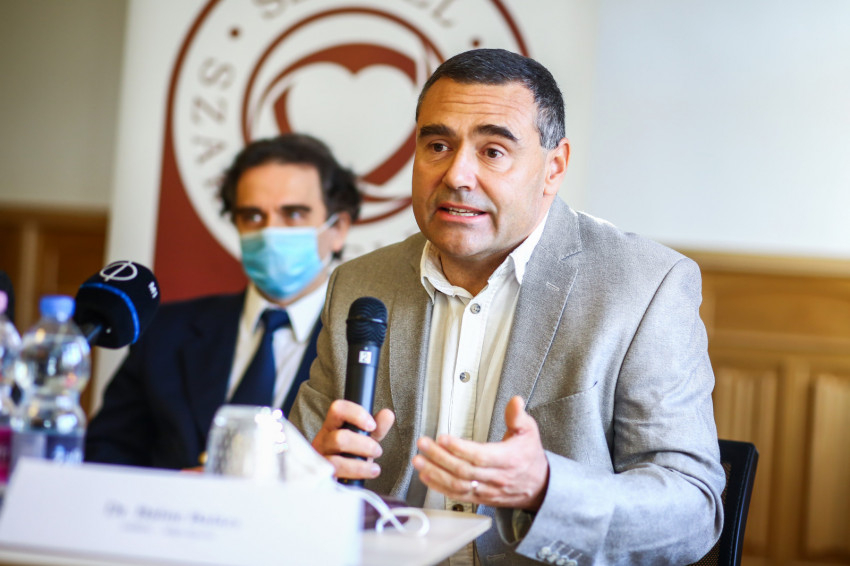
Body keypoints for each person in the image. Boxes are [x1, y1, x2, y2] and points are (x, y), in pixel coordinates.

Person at [290, 49, 725, 565]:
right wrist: (309, 471)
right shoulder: (362, 283)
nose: (457, 175)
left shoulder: (645, 286)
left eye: (493, 151)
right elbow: (293, 471)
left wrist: (545, 488)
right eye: (437, 145)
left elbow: (691, 512)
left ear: (553, 168)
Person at [86, 133, 360, 470]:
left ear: (338, 228)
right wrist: (177, 487)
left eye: (293, 214)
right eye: (253, 216)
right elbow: (103, 454)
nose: (270, 232)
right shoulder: (164, 332)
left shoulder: (366, 350)